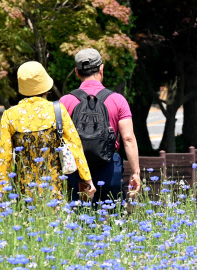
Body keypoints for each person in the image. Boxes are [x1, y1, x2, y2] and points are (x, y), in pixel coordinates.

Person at [0, 61, 94, 201]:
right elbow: (75, 146)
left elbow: (4, 158)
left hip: (24, 191)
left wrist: (0, 193)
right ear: (45, 86)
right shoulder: (57, 110)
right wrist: (87, 179)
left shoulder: (9, 115)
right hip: (55, 189)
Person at [59, 48, 141, 206]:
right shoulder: (117, 100)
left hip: (77, 171)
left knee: (79, 221)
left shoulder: (65, 101)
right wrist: (135, 172)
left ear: (77, 72)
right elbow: (128, 138)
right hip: (109, 168)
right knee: (113, 219)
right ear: (101, 69)